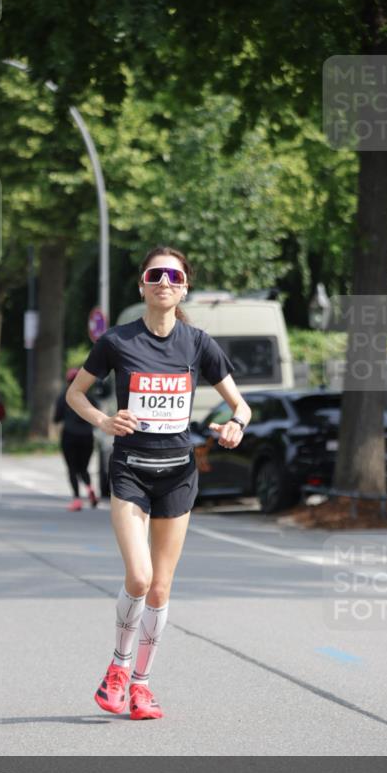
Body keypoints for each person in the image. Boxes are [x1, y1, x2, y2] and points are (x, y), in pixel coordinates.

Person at [67, 246, 251, 720]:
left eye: (173, 275)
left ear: (184, 287)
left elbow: (241, 405)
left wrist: (236, 425)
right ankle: (118, 667)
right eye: (155, 275)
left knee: (161, 589)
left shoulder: (198, 343)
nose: (164, 282)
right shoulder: (117, 341)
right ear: (142, 286)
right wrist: (104, 420)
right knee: (139, 577)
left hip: (177, 475)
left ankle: (142, 686)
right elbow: (75, 394)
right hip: (130, 469)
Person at [53, 368, 99, 511]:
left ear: (68, 381)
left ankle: (77, 500)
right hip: (87, 437)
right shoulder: (90, 398)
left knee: (72, 469)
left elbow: (56, 418)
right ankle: (90, 489)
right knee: (84, 468)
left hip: (69, 436)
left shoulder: (64, 397)